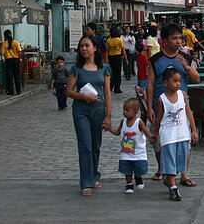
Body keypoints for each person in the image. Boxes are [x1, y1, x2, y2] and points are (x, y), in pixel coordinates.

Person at [147, 22, 200, 187]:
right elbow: (150, 84)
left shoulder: (186, 58)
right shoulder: (155, 60)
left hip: (181, 106)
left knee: (184, 140)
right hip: (161, 104)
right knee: (160, 139)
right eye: (174, 38)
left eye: (180, 38)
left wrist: (186, 67)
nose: (178, 42)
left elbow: (196, 78)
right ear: (164, 40)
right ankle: (162, 168)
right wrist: (149, 107)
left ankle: (184, 174)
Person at [66, 35, 112, 196]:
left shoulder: (104, 68)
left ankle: (94, 175)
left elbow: (107, 92)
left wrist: (108, 115)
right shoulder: (76, 69)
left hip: (98, 110)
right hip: (81, 111)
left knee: (95, 145)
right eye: (81, 46)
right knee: (85, 145)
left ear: (94, 48)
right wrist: (83, 97)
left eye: (87, 45)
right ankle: (86, 182)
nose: (84, 49)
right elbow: (69, 91)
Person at [155, 67, 198, 202]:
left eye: (179, 81)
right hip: (168, 135)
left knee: (181, 158)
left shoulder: (183, 95)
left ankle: (170, 179)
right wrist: (155, 134)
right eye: (174, 81)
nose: (178, 84)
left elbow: (188, 112)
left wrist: (193, 129)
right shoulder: (162, 99)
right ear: (166, 82)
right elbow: (159, 118)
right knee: (169, 160)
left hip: (182, 134)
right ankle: (173, 186)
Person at [105, 98, 156, 194]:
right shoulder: (123, 122)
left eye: (127, 110)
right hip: (126, 152)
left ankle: (138, 176)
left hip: (138, 153)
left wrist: (151, 137)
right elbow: (117, 132)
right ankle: (129, 184)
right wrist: (109, 129)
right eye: (124, 109)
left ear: (135, 111)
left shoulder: (139, 122)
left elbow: (146, 132)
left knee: (138, 168)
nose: (124, 112)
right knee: (127, 170)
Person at [0, 29, 22, 95]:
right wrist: (19, 58)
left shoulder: (4, 44)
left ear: (5, 36)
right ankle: (19, 90)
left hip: (8, 61)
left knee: (9, 76)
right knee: (17, 75)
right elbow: (20, 51)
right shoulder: (16, 42)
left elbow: (2, 53)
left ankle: (11, 91)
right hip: (16, 60)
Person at [106, 27, 125, 94]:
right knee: (118, 73)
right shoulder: (119, 40)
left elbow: (107, 50)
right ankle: (117, 88)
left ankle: (110, 87)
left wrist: (106, 59)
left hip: (111, 57)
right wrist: (126, 58)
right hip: (117, 56)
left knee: (112, 73)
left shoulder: (108, 40)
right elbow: (123, 49)